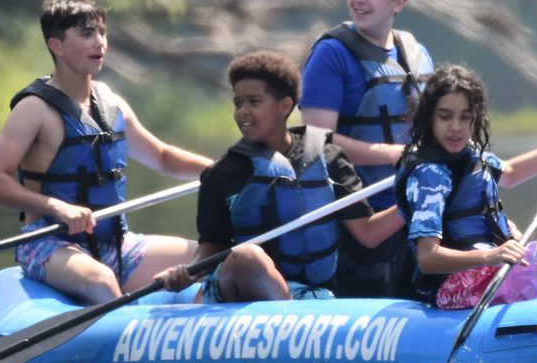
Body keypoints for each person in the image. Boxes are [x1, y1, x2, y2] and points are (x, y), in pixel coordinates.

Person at [0, 0, 213, 305]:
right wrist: (56, 207)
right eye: (87, 34)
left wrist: (222, 170)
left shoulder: (112, 103)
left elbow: (162, 157)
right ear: (56, 46)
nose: (99, 42)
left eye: (102, 32)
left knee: (210, 256)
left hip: (117, 243)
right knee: (101, 281)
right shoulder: (34, 108)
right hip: (50, 244)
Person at [155, 50, 406, 303]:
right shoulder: (222, 173)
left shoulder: (329, 158)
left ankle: (289, 314)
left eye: (254, 102)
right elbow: (211, 247)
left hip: (310, 296)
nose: (242, 111)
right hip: (240, 288)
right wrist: (189, 272)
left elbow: (368, 233)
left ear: (285, 106)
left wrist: (412, 201)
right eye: (238, 103)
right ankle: (286, 316)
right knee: (247, 257)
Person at [395, 64, 537, 310]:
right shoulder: (430, 174)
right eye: (445, 116)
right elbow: (427, 258)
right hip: (460, 286)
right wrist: (491, 256)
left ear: (476, 118)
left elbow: (512, 173)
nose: (456, 127)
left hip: (492, 270)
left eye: (466, 117)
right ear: (430, 117)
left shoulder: (471, 155)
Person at [298, 0, 436, 298]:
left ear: (399, 2)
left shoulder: (418, 54)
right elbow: (314, 142)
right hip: (357, 214)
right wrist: (392, 155)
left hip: (416, 208)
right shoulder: (332, 55)